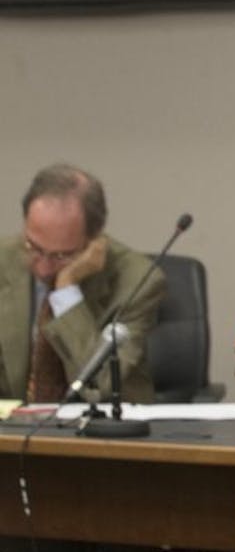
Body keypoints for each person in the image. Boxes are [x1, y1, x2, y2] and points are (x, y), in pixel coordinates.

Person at [0, 164, 164, 404]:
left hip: (99, 434)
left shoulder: (139, 281)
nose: (44, 268)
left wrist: (66, 292)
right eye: (34, 247)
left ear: (94, 239)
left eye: (61, 255)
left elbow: (104, 385)